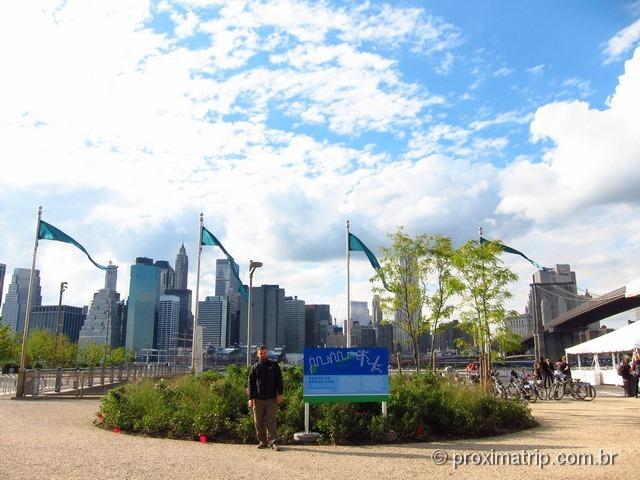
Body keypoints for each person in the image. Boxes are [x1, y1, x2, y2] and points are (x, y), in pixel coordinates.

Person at [248, 345, 284, 450]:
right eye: (261, 353)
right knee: (258, 422)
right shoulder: (254, 367)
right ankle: (262, 442)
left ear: (267, 353)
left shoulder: (274, 366)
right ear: (257, 354)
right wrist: (250, 399)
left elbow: (279, 381)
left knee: (271, 421)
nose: (263, 355)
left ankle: (273, 442)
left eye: (264, 353)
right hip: (257, 399)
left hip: (271, 399)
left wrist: (280, 394)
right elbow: (251, 384)